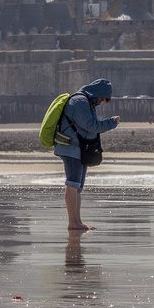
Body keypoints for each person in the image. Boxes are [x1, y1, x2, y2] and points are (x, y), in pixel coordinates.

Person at [53, 78, 118, 231]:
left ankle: (77, 221)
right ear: (97, 93)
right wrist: (111, 123)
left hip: (79, 148)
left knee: (77, 187)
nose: (101, 102)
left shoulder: (86, 102)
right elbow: (90, 125)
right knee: (72, 184)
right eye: (102, 99)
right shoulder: (79, 102)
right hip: (71, 147)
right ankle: (72, 223)